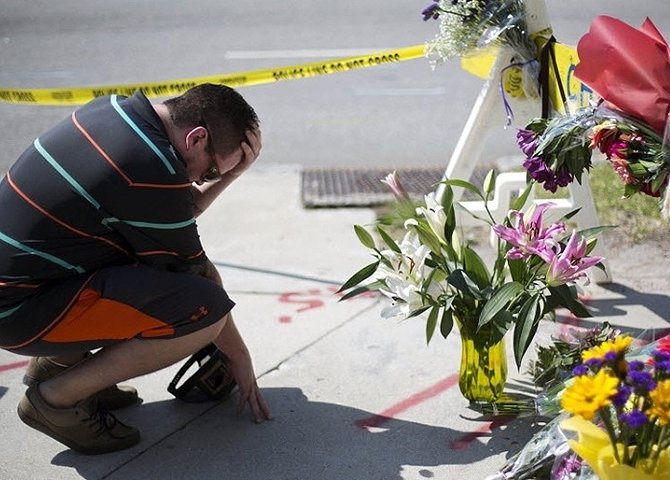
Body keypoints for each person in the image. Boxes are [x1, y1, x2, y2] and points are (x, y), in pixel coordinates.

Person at [0, 83, 272, 455]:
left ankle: (60, 366)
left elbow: (171, 208)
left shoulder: (112, 111)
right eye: (209, 171)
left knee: (144, 262)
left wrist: (229, 173)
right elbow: (197, 275)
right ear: (196, 138)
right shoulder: (148, 169)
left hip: (27, 288)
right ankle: (56, 399)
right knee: (204, 310)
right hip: (18, 312)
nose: (199, 181)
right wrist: (238, 356)